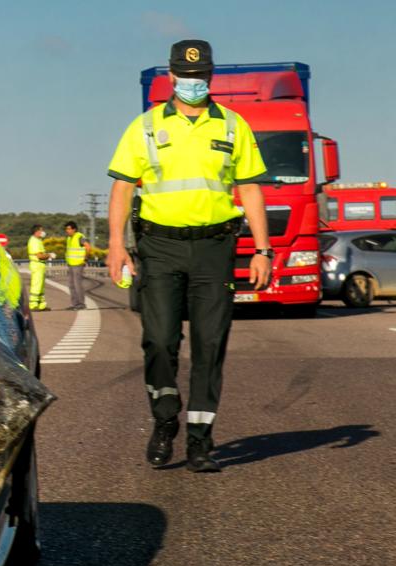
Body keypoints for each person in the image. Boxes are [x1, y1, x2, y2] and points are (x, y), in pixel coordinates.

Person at [105, 39, 272, 473]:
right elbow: (123, 186)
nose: (192, 83)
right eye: (185, 76)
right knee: (159, 339)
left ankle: (201, 441)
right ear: (171, 76)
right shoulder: (143, 127)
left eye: (200, 77)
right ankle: (165, 419)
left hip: (215, 249)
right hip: (159, 247)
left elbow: (251, 188)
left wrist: (262, 249)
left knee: (210, 344)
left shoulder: (234, 127)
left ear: (210, 77)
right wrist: (117, 244)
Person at [63, 221, 92, 309]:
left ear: (74, 229)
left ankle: (81, 304)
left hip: (78, 264)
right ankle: (74, 304)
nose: (67, 231)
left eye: (69, 229)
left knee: (77, 285)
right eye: (66, 229)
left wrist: (85, 259)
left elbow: (88, 247)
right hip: (71, 264)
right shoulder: (69, 238)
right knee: (71, 285)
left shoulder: (79, 237)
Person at [26, 224, 54, 311]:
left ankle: (41, 305)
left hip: (40, 265)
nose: (43, 232)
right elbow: (39, 256)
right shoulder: (34, 241)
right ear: (37, 231)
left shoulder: (38, 240)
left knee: (40, 286)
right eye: (41, 230)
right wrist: (49, 255)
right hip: (37, 265)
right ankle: (33, 305)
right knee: (36, 285)